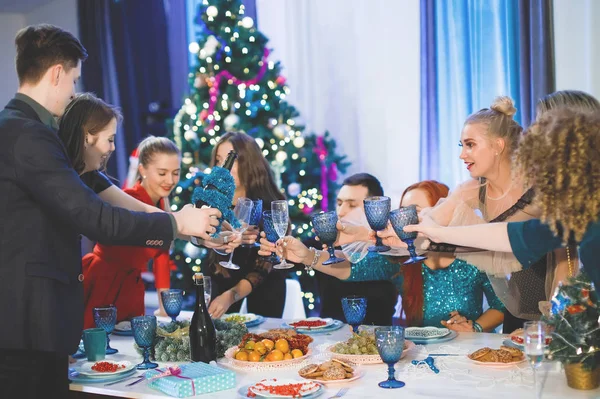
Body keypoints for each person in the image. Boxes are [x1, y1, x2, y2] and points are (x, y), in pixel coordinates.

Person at [0, 24, 220, 396]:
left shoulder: (21, 130)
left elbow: (112, 199)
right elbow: (95, 218)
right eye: (73, 80)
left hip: (29, 326)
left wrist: (180, 225)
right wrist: (176, 222)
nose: (72, 92)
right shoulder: (28, 134)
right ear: (57, 73)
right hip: (27, 326)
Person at [404, 103, 600, 295]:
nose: (462, 155)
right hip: (517, 305)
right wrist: (394, 232)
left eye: (470, 145)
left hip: (556, 303)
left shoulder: (542, 191)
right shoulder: (471, 190)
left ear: (498, 145)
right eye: (462, 145)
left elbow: (565, 257)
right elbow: (433, 224)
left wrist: (554, 319)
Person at [261, 180, 505, 332]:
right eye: (402, 212)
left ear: (444, 213)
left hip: (470, 353)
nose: (404, 221)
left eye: (416, 212)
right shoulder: (400, 259)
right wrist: (307, 256)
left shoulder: (471, 255)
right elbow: (349, 270)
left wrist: (474, 327)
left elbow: (501, 305)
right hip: (420, 354)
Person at [260, 173, 399, 325]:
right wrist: (277, 250)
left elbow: (358, 266)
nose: (341, 211)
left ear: (375, 208)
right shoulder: (324, 241)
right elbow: (289, 261)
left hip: (376, 341)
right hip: (328, 339)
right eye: (339, 203)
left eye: (352, 205)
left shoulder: (391, 248)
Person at [79, 133, 182, 328]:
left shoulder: (162, 206)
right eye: (162, 173)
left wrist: (164, 308)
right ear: (142, 170)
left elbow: (161, 260)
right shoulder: (127, 198)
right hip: (103, 281)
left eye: (175, 173)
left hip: (131, 289)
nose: (170, 180)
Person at [206, 132, 289, 318]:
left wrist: (231, 296)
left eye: (231, 159)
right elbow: (201, 239)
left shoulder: (269, 204)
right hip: (220, 278)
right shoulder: (213, 200)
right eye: (219, 160)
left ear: (248, 162)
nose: (223, 167)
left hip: (264, 286)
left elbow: (265, 266)